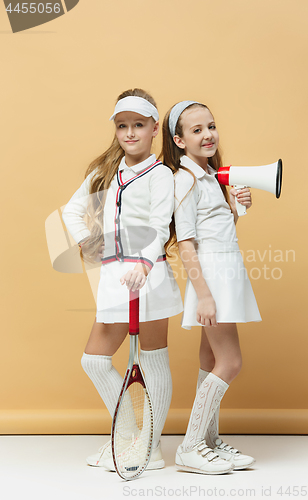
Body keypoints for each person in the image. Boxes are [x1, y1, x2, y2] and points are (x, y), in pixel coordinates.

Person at [62, 88, 183, 471]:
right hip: (114, 276)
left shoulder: (162, 174)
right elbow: (71, 211)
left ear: (153, 128)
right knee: (94, 360)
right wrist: (88, 243)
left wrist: (145, 266)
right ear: (116, 130)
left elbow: (159, 224)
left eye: (138, 125)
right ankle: (128, 438)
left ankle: (149, 448)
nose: (130, 133)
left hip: (147, 275)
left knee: (153, 358)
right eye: (122, 126)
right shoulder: (104, 174)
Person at [161, 101, 261, 475]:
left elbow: (218, 231)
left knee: (209, 361)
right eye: (197, 130)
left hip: (225, 269)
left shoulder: (212, 176)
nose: (208, 135)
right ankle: (190, 447)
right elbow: (187, 243)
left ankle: (208, 441)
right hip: (212, 278)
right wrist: (204, 295)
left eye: (211, 126)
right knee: (230, 362)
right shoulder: (185, 179)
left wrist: (235, 207)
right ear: (179, 140)